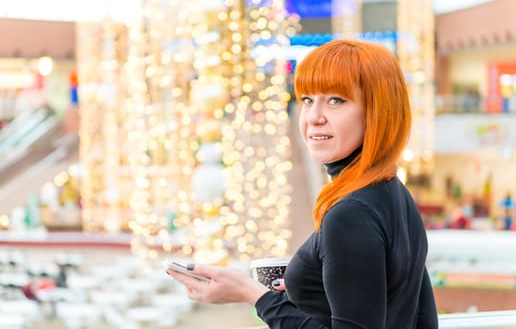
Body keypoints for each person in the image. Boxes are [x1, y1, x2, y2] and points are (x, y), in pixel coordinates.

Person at [166, 39, 439, 328]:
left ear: (377, 111)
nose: (313, 117)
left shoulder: (351, 214)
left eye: (336, 100)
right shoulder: (394, 193)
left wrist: (254, 295)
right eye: (307, 99)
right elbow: (419, 316)